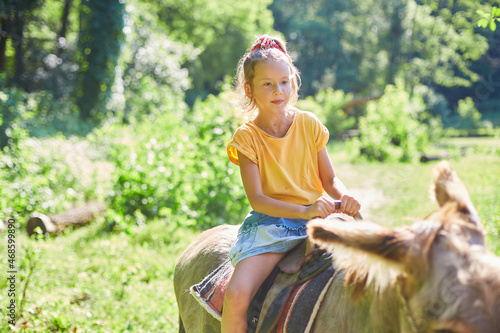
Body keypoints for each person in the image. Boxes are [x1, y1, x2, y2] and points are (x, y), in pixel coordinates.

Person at [222, 34, 361, 332]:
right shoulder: (247, 138)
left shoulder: (309, 124)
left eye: (284, 82)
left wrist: (345, 197)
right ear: (250, 90)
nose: (278, 91)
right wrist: (304, 210)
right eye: (267, 84)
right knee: (236, 295)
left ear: (293, 83)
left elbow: (330, 179)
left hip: (318, 218)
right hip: (272, 226)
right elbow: (257, 200)